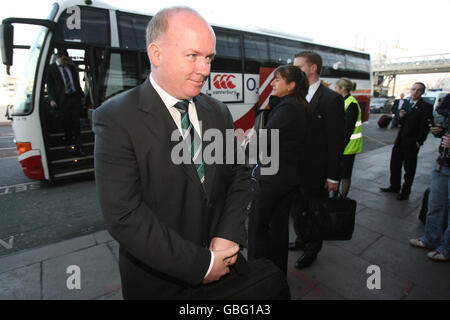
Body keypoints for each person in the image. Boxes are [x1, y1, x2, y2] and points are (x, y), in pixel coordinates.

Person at [93, 7, 254, 299]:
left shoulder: (217, 111)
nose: (205, 70)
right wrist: (201, 265)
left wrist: (228, 234)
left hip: (225, 272)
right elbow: (125, 215)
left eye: (209, 58)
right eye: (193, 56)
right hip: (158, 285)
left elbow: (240, 174)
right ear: (157, 54)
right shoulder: (116, 118)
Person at [248, 65, 308, 275]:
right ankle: (276, 273)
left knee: (257, 228)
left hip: (272, 179)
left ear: (291, 85)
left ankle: (255, 275)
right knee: (279, 229)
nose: (272, 83)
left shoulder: (287, 108)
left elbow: (264, 142)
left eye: (277, 80)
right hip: (289, 178)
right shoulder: (299, 105)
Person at [289, 51, 345, 269]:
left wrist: (333, 176)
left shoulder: (332, 99)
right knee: (297, 210)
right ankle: (302, 239)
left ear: (313, 68)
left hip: (317, 171)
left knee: (314, 211)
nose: (294, 71)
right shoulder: (294, 96)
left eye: (299, 67)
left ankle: (312, 249)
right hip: (294, 169)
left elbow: (335, 141)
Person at [409, 93, 450, 262]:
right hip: (443, 164)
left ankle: (446, 248)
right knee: (435, 204)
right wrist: (439, 132)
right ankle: (430, 238)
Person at [380, 82, 433, 200]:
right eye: (413, 89)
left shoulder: (426, 107)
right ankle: (394, 186)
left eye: (418, 90)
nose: (415, 92)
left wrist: (419, 142)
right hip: (400, 140)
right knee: (394, 164)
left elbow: (424, 127)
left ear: (422, 92)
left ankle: (405, 191)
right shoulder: (407, 104)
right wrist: (401, 117)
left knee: (409, 168)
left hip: (412, 142)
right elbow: (400, 123)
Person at [46, 49, 85, 154]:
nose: (66, 62)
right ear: (58, 57)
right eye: (64, 59)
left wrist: (81, 95)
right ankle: (69, 143)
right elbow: (50, 86)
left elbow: (76, 83)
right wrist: (52, 99)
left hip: (74, 98)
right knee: (66, 123)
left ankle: (79, 146)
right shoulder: (51, 69)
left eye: (67, 60)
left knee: (76, 123)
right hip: (63, 100)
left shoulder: (71, 68)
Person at [334, 78, 363, 198]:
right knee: (337, 172)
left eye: (336, 88)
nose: (334, 90)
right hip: (342, 145)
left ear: (342, 89)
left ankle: (342, 197)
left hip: (348, 146)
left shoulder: (351, 103)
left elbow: (348, 129)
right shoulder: (343, 101)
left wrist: (339, 146)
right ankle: (335, 195)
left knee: (345, 174)